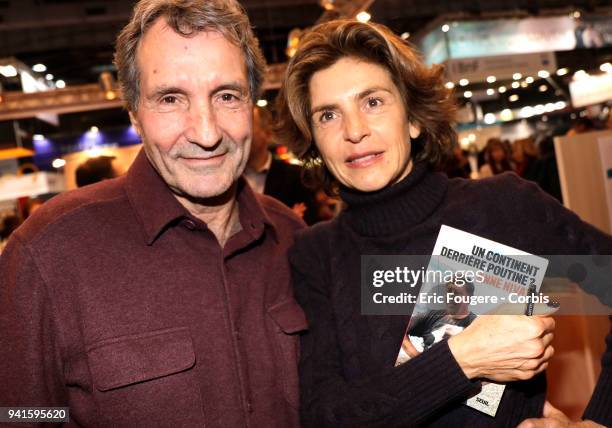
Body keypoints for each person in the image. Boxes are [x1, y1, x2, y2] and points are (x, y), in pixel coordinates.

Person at [276, 19, 612, 427]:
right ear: (313, 139)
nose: (355, 131)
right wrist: (463, 359)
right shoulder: (315, 255)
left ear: (414, 119)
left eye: (373, 102)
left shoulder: (504, 207)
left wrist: (597, 422)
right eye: (328, 115)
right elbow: (325, 416)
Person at [0, 1, 306, 426]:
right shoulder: (48, 253)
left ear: (252, 106)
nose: (206, 132)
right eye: (170, 98)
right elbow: (19, 414)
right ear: (135, 116)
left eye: (227, 96)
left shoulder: (292, 238)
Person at [245, 106, 320, 224]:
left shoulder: (296, 176)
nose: (242, 134)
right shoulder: (230, 179)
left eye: (248, 127)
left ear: (268, 134)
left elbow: (306, 225)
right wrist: (284, 221)